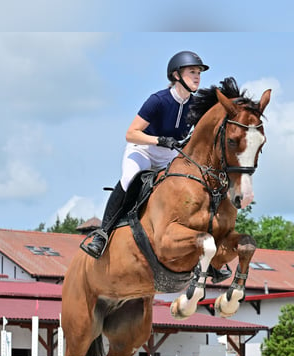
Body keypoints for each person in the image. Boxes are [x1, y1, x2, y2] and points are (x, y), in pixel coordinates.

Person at [81, 51, 231, 282]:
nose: (197, 76)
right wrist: (159, 140)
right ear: (176, 75)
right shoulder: (158, 100)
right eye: (192, 71)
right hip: (143, 150)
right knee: (130, 178)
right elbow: (131, 133)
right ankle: (102, 234)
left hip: (171, 155)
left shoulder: (194, 105)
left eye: (199, 73)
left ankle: (210, 257)